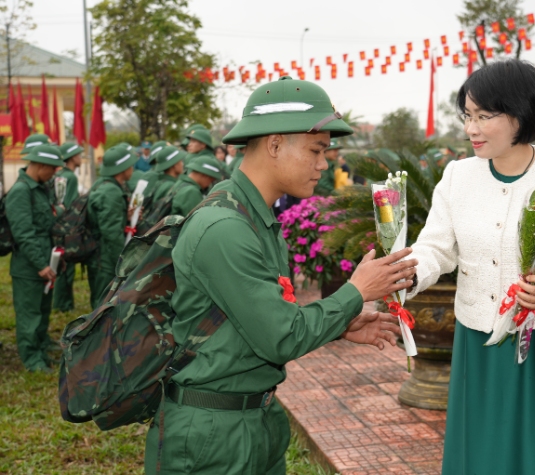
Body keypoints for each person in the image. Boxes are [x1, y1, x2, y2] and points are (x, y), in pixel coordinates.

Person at [143, 75, 417, 474]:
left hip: (253, 418)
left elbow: (265, 319)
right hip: (213, 434)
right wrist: (356, 291)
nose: (324, 164)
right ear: (274, 144)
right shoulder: (226, 228)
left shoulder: (253, 218)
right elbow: (280, 338)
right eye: (316, 150)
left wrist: (341, 324)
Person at [406, 59, 535, 475]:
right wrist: (404, 273)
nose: (471, 129)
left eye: (484, 116)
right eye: (467, 116)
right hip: (474, 341)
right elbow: (436, 248)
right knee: (477, 452)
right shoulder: (458, 175)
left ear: (520, 114)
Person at [6, 144, 65, 372]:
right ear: (40, 165)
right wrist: (40, 265)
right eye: (53, 168)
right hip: (29, 265)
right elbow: (24, 233)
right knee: (30, 313)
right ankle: (32, 359)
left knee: (43, 309)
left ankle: (41, 351)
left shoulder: (40, 189)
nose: (55, 173)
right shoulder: (22, 191)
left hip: (45, 259)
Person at [87, 145, 137, 308]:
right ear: (121, 168)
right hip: (106, 258)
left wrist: (125, 216)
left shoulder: (104, 185)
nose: (132, 168)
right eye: (130, 165)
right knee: (103, 301)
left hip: (98, 253)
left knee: (100, 297)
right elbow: (111, 234)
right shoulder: (111, 192)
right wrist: (122, 263)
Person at [52, 142, 84, 312]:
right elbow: (71, 204)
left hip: (57, 224)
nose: (81, 157)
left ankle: (60, 303)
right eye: (79, 154)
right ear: (72, 157)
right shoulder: (70, 177)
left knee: (59, 266)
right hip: (68, 227)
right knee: (67, 266)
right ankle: (63, 304)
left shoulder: (59, 175)